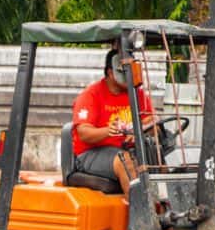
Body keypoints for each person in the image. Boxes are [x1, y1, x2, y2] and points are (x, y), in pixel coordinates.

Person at [70, 48, 166, 192]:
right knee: (126, 162)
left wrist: (141, 130)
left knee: (158, 158)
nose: (129, 78)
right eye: (125, 72)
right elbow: (84, 133)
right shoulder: (91, 95)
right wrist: (108, 131)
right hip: (91, 153)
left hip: (128, 149)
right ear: (110, 73)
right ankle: (138, 205)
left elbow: (153, 123)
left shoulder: (137, 94)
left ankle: (166, 202)